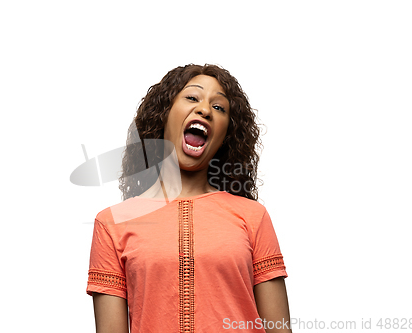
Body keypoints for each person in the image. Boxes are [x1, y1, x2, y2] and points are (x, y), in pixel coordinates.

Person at [86, 64, 292, 332]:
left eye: (219, 108)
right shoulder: (112, 223)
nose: (205, 110)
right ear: (164, 116)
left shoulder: (253, 216)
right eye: (192, 98)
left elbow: (279, 328)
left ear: (224, 137)